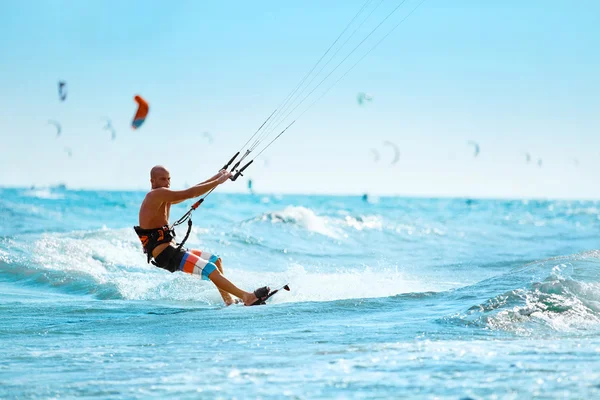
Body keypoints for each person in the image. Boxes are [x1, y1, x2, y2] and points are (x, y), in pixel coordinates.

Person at [134, 165, 269, 306]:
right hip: (166, 254)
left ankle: (229, 301)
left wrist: (216, 177)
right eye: (163, 179)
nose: (167, 183)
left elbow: (193, 190)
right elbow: (189, 193)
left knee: (216, 260)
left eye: (169, 179)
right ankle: (247, 297)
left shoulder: (163, 197)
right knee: (210, 268)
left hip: (174, 249)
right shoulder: (155, 195)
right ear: (152, 181)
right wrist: (218, 181)